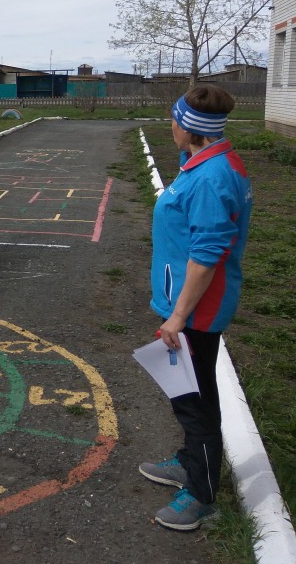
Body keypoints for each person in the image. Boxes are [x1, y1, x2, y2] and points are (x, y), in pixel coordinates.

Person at [138, 85, 252, 531]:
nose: (170, 125)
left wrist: (179, 316)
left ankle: (201, 496)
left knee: (196, 402)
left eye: (174, 119)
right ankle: (189, 461)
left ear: (189, 127)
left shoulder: (210, 177)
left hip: (198, 309)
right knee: (187, 391)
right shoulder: (205, 163)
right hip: (186, 301)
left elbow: (206, 257)